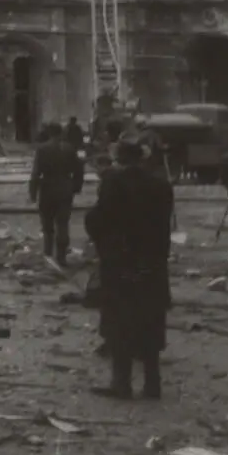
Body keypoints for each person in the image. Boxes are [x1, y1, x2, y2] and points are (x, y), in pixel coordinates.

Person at [84, 138, 174, 400]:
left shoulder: (113, 182)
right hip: (153, 262)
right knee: (151, 320)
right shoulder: (160, 184)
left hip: (121, 261)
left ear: (119, 158)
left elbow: (99, 219)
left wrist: (102, 243)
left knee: (119, 322)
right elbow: (164, 226)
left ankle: (121, 383)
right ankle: (152, 384)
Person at [29, 124, 84, 265]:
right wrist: (76, 187)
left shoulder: (42, 149)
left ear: (49, 133)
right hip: (65, 187)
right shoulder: (70, 148)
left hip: (47, 187)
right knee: (63, 223)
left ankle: (47, 254)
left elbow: (35, 173)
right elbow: (79, 170)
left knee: (47, 224)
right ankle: (61, 257)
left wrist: (33, 193)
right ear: (61, 133)